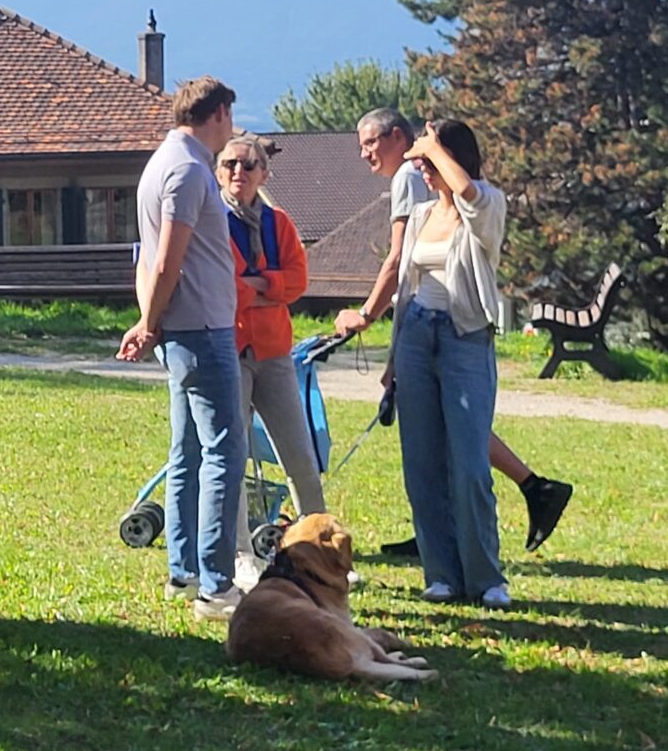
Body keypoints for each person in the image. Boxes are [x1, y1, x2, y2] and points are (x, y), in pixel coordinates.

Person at [335, 107, 572, 553]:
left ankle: (507, 510)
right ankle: (442, 538)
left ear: (400, 138)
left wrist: (366, 313)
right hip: (420, 330)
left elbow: (398, 258)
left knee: (459, 435)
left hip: (458, 330)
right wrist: (396, 352)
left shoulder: (413, 175)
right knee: (434, 440)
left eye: (371, 142)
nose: (365, 153)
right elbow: (411, 270)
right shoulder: (420, 188)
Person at [119, 76, 247, 621]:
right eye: (231, 118)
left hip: (185, 326)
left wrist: (149, 319)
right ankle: (217, 585)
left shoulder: (162, 162)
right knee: (225, 451)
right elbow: (168, 257)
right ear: (218, 113)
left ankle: (183, 568)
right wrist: (150, 322)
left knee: (188, 450)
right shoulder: (191, 169)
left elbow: (148, 257)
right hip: (200, 329)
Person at [386, 120, 511, 607]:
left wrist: (436, 147)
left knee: (469, 466)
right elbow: (405, 285)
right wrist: (394, 357)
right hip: (416, 335)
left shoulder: (487, 203)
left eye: (431, 161)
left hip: (464, 338)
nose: (424, 170)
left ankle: (486, 578)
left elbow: (469, 195)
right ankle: (440, 573)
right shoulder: (419, 214)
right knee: (421, 463)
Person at [216, 133, 326, 592]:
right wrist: (264, 287)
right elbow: (226, 286)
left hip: (276, 354)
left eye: (248, 165)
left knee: (300, 453)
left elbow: (298, 281)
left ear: (264, 173)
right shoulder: (212, 220)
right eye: (229, 165)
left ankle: (320, 546)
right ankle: (241, 554)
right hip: (231, 352)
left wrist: (257, 286)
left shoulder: (279, 223)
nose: (238, 173)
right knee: (233, 456)